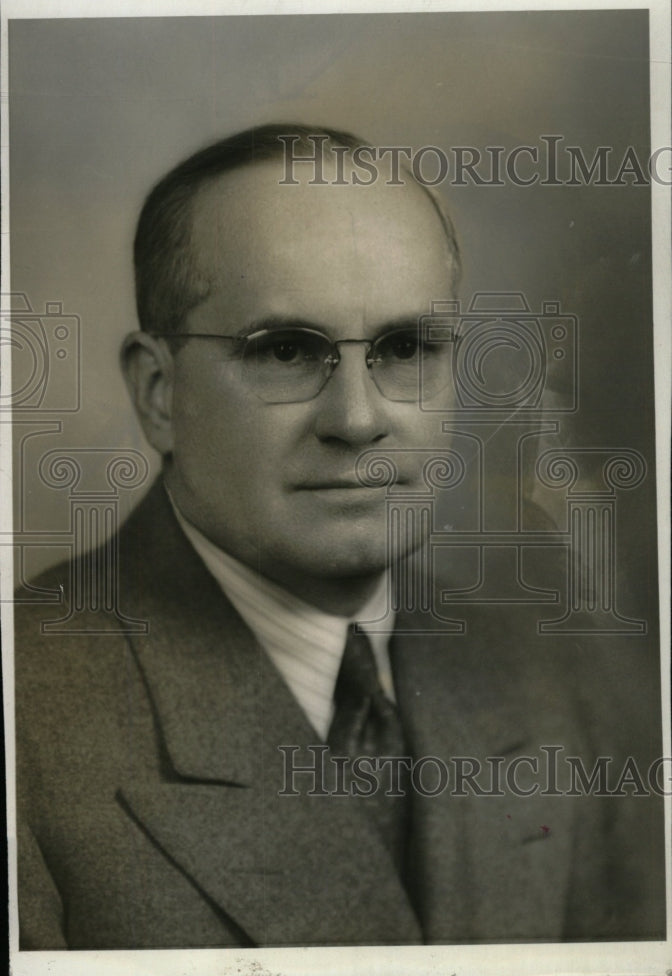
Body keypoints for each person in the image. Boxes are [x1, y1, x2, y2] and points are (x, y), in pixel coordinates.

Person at [14, 124, 665, 949]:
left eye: (405, 348)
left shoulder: (570, 682)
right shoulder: (25, 726)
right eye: (286, 350)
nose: (357, 420)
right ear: (158, 392)